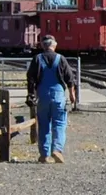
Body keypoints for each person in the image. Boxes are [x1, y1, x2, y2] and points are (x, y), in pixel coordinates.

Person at [26, 35, 79, 163]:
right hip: (58, 96)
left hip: (42, 96)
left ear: (43, 46)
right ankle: (57, 150)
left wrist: (31, 94)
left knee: (44, 124)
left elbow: (31, 79)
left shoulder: (37, 59)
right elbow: (70, 79)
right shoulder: (61, 59)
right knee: (59, 124)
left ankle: (44, 154)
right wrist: (72, 95)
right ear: (54, 45)